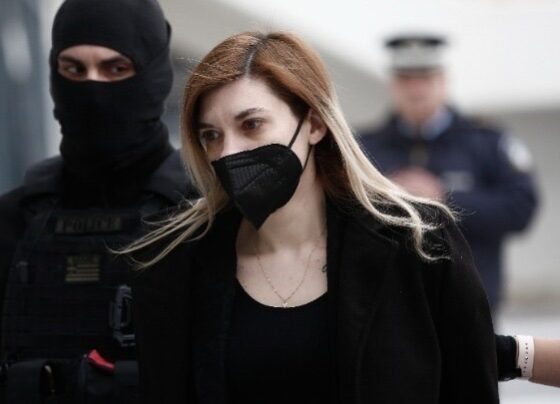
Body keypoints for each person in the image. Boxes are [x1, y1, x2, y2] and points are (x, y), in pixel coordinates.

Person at [127, 30, 499, 404]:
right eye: (211, 135)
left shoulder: (419, 244)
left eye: (251, 124)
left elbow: (467, 380)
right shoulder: (176, 264)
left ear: (315, 124)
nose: (228, 152)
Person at [0, 0, 195, 402]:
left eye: (116, 69)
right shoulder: (11, 221)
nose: (92, 90)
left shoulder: (201, 219)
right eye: (73, 70)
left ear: (154, 75)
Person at [359, 34, 539, 310]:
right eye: (406, 79)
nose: (416, 90)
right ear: (392, 85)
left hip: (469, 304)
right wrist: (383, 199)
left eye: (425, 78)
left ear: (443, 81)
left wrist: (444, 199)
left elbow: (521, 207)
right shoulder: (364, 148)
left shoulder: (485, 143)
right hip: (389, 306)